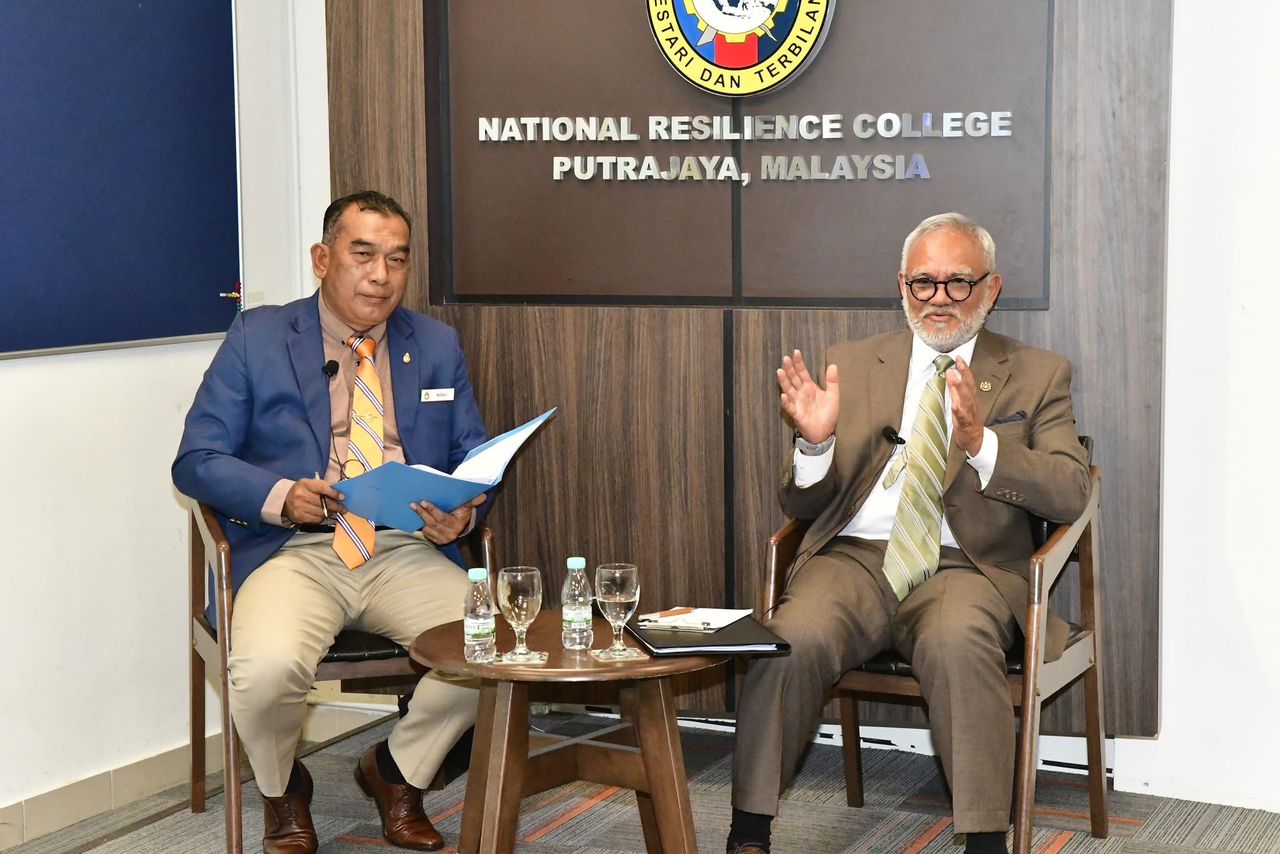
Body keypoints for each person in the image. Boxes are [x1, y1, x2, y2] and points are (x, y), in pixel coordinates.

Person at [727, 213, 1090, 854]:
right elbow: (800, 503)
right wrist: (814, 446)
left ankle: (985, 842)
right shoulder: (852, 364)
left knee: (957, 643)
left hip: (966, 567)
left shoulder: (1037, 373)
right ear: (902, 286)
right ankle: (749, 833)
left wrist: (982, 446)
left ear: (991, 288)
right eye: (924, 282)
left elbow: (1070, 490)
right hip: (853, 560)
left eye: (958, 282)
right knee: (789, 638)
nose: (939, 298)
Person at [173, 190, 488, 854]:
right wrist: (280, 494)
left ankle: (396, 772)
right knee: (264, 673)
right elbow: (197, 460)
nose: (381, 275)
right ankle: (284, 787)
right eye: (363, 254)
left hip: (404, 549)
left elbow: (472, 455)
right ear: (322, 259)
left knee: (492, 649)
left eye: (397, 259)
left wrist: (462, 510)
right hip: (292, 551)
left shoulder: (435, 344)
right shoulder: (259, 337)